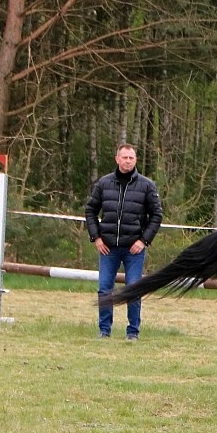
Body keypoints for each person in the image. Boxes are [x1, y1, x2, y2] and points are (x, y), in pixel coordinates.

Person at [85, 143, 164, 340]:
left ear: (135, 160)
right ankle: (104, 330)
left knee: (133, 289)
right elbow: (90, 211)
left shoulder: (147, 186)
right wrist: (96, 237)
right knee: (104, 289)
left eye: (131, 158)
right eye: (125, 157)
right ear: (117, 159)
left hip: (134, 249)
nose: (128, 161)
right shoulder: (104, 184)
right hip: (108, 248)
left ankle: (133, 332)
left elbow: (156, 215)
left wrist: (144, 241)